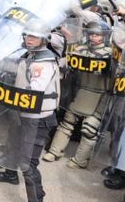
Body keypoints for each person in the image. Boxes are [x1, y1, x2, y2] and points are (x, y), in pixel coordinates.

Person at [0, 20, 60, 202]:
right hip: (23, 113)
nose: (29, 39)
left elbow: (34, 89)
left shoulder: (43, 63)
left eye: (34, 36)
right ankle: (10, 175)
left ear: (44, 39)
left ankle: (36, 199)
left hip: (38, 118)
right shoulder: (30, 56)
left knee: (28, 164)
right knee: (12, 146)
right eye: (27, 35)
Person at [42, 21, 112, 168]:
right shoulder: (80, 49)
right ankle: (55, 151)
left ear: (105, 36)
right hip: (80, 91)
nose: (93, 37)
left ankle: (80, 160)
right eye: (91, 34)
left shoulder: (110, 55)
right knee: (66, 123)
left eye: (97, 34)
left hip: (100, 95)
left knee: (89, 129)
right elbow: (68, 66)